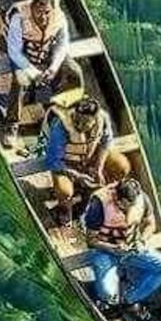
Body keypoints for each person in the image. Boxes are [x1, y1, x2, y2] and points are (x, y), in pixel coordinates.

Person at [83, 175, 161, 320]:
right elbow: (91, 240)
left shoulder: (141, 198)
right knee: (108, 294)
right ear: (118, 200)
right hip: (105, 251)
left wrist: (142, 241)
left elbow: (151, 224)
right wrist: (112, 248)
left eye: (134, 204)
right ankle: (107, 302)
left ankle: (130, 299)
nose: (131, 208)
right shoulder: (99, 205)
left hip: (132, 247)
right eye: (127, 205)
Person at [2, 0, 84, 144]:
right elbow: (14, 51)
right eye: (39, 12)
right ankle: (11, 124)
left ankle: (64, 114)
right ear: (32, 7)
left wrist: (53, 67)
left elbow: (62, 45)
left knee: (74, 72)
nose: (43, 17)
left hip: (47, 53)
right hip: (23, 58)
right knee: (20, 81)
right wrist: (33, 73)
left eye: (47, 12)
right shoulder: (18, 18)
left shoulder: (59, 17)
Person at [43, 96, 129, 225]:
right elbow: (53, 161)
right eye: (76, 120)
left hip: (89, 157)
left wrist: (98, 167)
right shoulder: (60, 128)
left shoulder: (103, 118)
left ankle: (95, 190)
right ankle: (65, 208)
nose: (79, 125)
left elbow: (106, 142)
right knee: (64, 191)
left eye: (85, 123)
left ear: (94, 120)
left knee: (122, 166)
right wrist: (77, 176)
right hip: (67, 163)